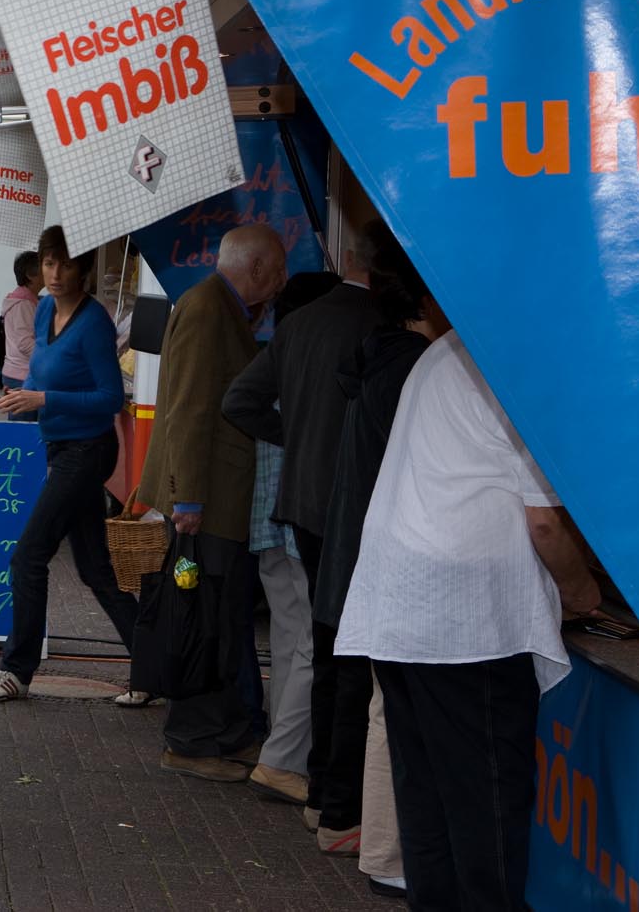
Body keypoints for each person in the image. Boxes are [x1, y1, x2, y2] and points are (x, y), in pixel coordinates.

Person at [335, 325, 597, 910]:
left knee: (427, 799)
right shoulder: (518, 363)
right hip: (462, 619)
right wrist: (582, 593)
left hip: (405, 600)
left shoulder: (451, 348)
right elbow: (546, 524)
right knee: (486, 806)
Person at [223, 227, 385, 850]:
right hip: (352, 510)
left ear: (347, 258)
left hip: (301, 509)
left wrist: (298, 441)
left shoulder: (301, 324)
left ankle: (321, 792)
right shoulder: (382, 328)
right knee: (340, 656)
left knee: (318, 647)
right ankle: (332, 798)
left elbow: (240, 402)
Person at [134, 223, 287, 783]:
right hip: (208, 503)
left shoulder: (220, 307)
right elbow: (190, 408)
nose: (281, 283)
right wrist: (189, 498)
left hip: (220, 501)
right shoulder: (206, 308)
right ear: (255, 269)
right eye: (276, 271)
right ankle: (193, 741)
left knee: (223, 621)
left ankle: (227, 734)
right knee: (205, 622)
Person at [0, 226, 137, 704]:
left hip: (89, 449)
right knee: (95, 569)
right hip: (60, 445)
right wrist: (26, 399)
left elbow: (109, 397)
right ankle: (155, 668)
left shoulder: (95, 323)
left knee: (28, 555)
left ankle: (15, 670)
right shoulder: (43, 309)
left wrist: (43, 397)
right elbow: (42, 369)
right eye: (48, 263)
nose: (55, 273)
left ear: (83, 268)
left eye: (65, 263)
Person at [320, 230, 434, 898]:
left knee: (376, 703)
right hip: (392, 557)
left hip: (366, 548)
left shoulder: (380, 359)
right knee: (391, 709)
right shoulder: (414, 367)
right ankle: (389, 852)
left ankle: (369, 835)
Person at [227, 271, 343, 811]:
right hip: (297, 528)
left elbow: (239, 404)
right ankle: (282, 760)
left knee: (289, 643)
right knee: (306, 649)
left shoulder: (277, 353)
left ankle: (281, 748)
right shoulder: (311, 362)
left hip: (267, 526)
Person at [0, 250, 42, 397]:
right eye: (46, 266)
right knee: (23, 420)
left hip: (20, 373)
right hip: (22, 375)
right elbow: (24, 343)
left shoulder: (27, 301)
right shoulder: (23, 304)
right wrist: (49, 358)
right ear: (30, 275)